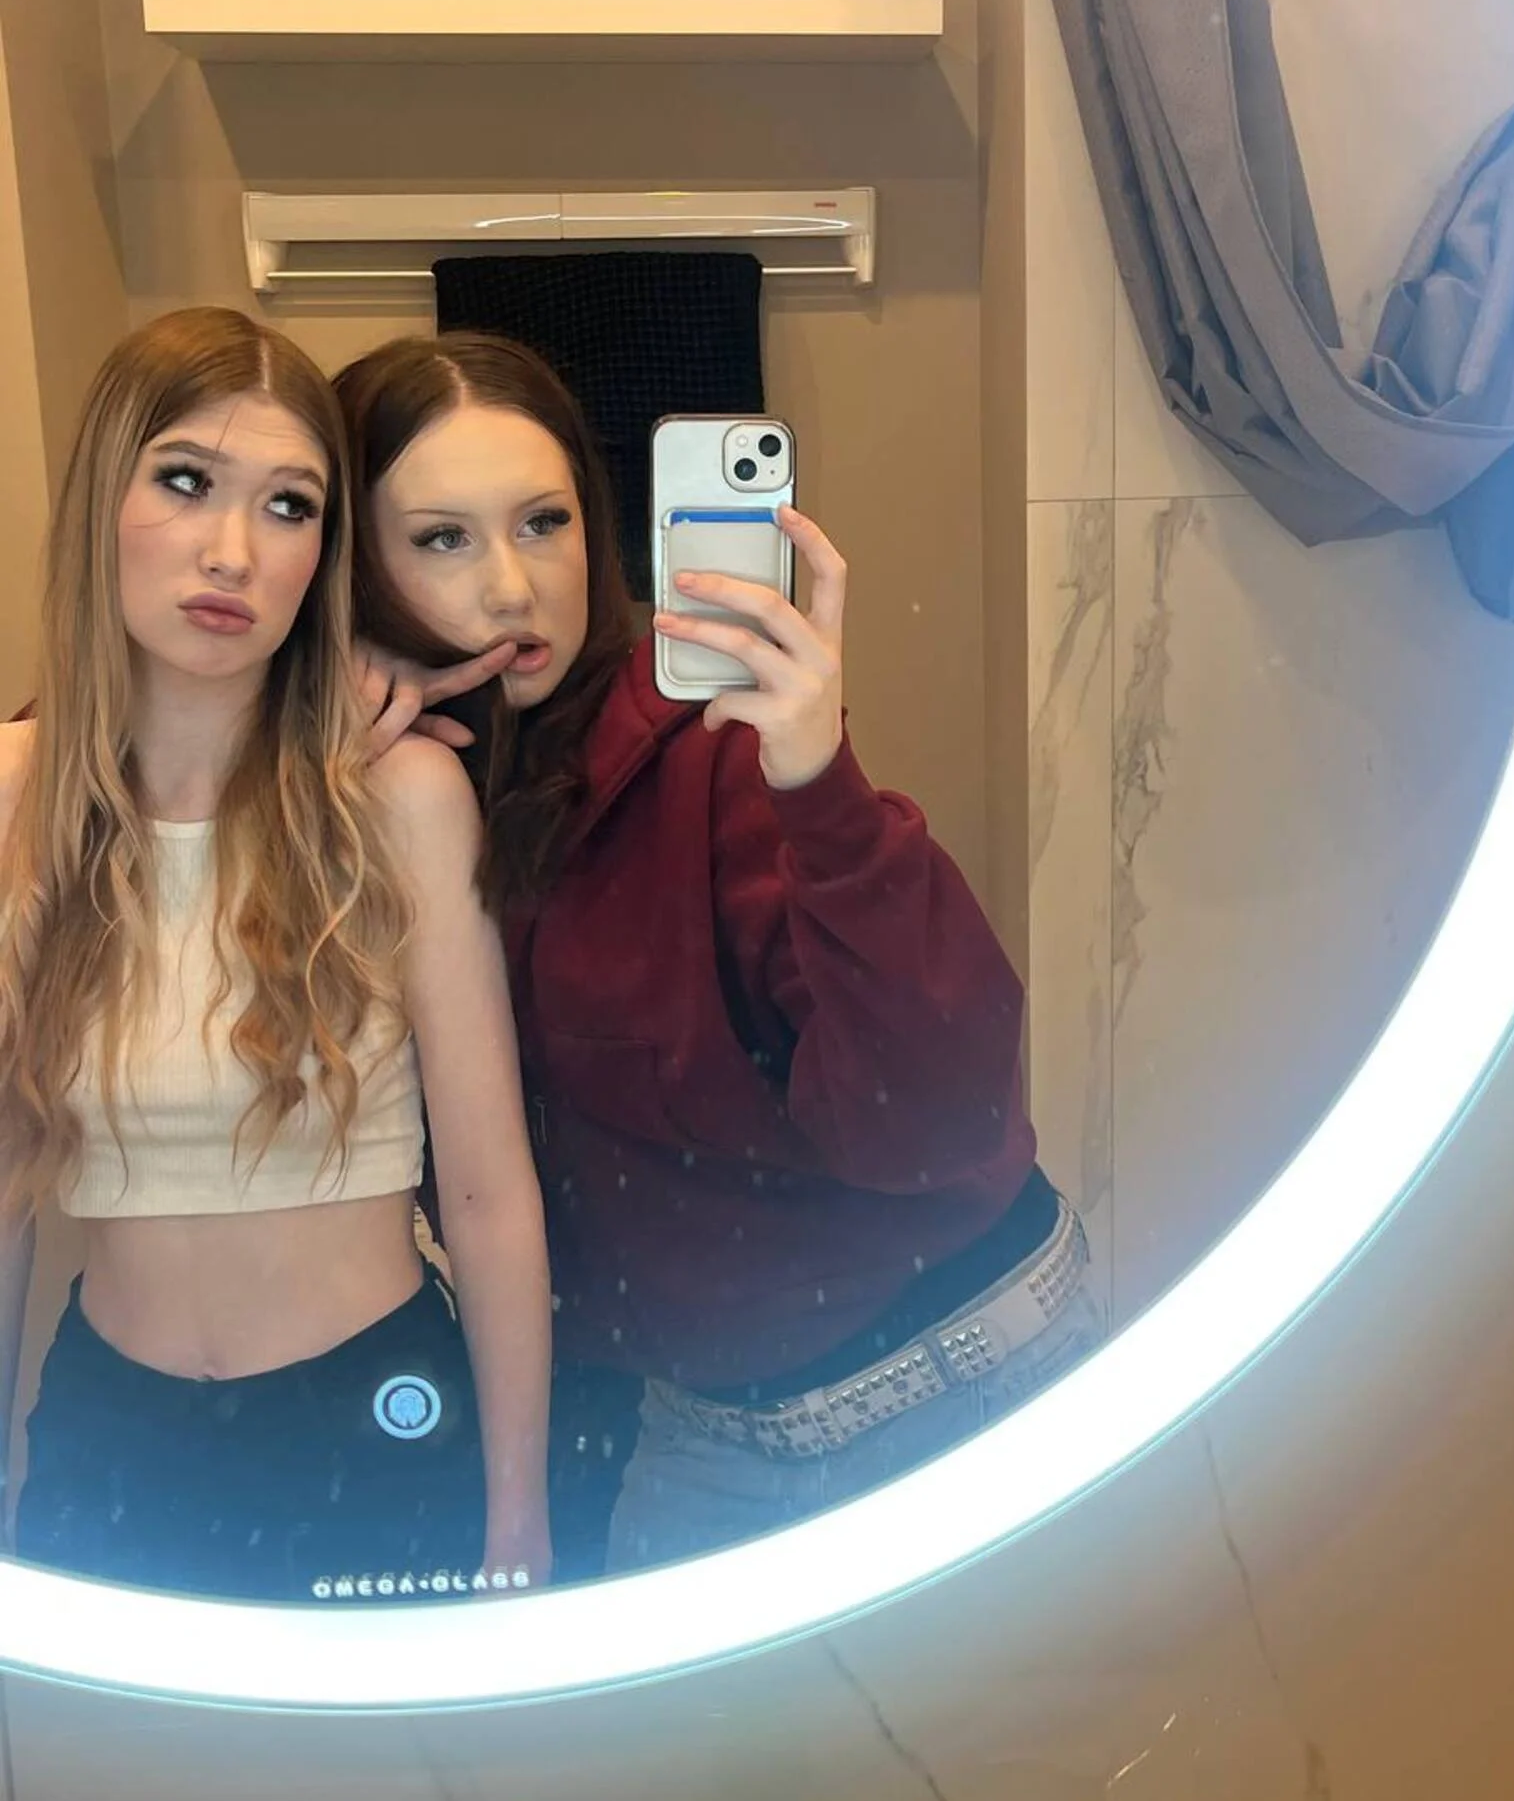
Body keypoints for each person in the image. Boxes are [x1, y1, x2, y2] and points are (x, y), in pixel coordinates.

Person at [336, 330, 1103, 1575]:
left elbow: (936, 1122)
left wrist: (822, 789)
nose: (513, 588)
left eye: (543, 523)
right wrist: (293, 717)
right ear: (354, 570)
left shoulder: (710, 749)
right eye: (441, 539)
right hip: (697, 1423)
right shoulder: (384, 781)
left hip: (954, 1370)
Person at [0, 308, 552, 1603]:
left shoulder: (397, 800)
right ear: (102, 497)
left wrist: (518, 1516)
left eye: (289, 506)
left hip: (375, 1422)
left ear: (324, 555)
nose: (233, 552)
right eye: (186, 481)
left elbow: (488, 1193)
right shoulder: (16, 800)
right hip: (109, 1438)